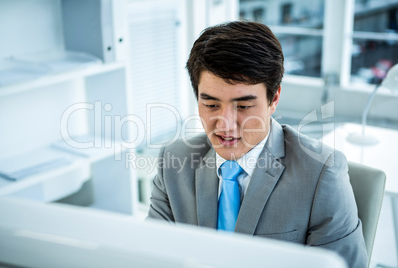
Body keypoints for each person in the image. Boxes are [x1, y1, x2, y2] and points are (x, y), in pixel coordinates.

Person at [147, 21, 367, 267]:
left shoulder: (321, 173)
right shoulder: (173, 162)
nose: (225, 125)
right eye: (210, 105)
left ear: (274, 99)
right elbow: (149, 255)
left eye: (243, 107)